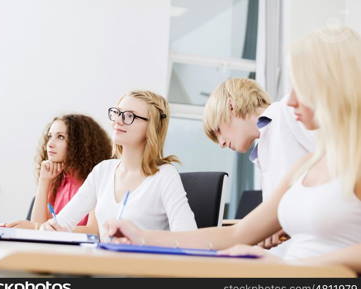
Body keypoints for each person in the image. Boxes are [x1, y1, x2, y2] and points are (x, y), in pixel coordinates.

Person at [104, 26, 361, 274]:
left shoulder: (346, 158)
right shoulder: (304, 165)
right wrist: (141, 236)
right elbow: (236, 234)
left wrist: (287, 268)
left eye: (301, 88)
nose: (291, 100)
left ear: (333, 87)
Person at [38, 90, 197, 238]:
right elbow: (62, 223)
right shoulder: (103, 170)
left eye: (129, 116)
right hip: (102, 264)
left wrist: (141, 238)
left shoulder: (165, 175)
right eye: (117, 113)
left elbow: (188, 238)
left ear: (151, 127)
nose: (118, 121)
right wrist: (48, 228)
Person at [203, 78, 315, 249]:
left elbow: (341, 162)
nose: (221, 143)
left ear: (231, 106)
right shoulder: (263, 148)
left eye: (218, 131)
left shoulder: (288, 112)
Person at [7, 114, 112, 232]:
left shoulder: (97, 179)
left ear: (80, 144)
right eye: (50, 136)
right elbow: (37, 229)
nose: (50, 144)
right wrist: (44, 181)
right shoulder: (56, 180)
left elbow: (94, 231)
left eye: (60, 137)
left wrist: (38, 227)